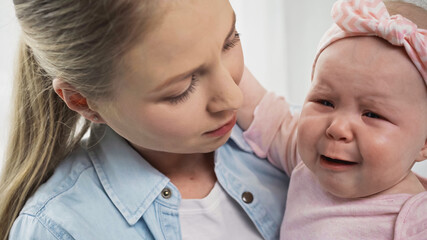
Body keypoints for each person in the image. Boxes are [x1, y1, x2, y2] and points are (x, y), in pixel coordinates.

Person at [0, 0, 290, 239]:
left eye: (230, 41)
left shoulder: (290, 145)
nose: (234, 99)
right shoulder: (60, 229)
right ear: (82, 101)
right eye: (181, 89)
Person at [237, 0, 427, 239]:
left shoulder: (415, 225)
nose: (336, 128)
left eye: (371, 114)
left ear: (424, 143)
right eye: (325, 102)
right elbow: (266, 115)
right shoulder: (310, 164)